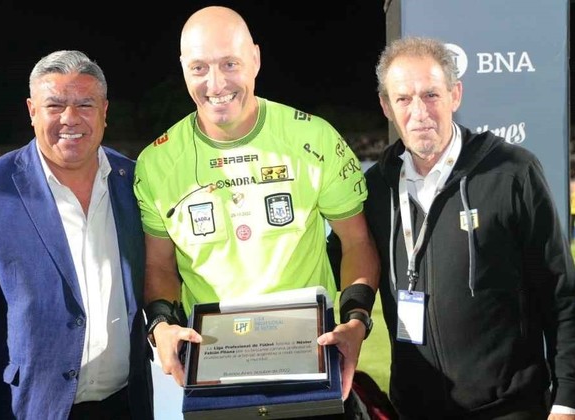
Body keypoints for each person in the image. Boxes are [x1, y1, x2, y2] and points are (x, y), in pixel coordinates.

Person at [133, 5, 380, 415]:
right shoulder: (157, 162)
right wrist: (161, 325)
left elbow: (356, 241)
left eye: (229, 63)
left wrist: (356, 321)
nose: (215, 83)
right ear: (183, 69)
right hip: (214, 370)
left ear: (255, 59)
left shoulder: (314, 138)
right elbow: (158, 265)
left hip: (309, 361)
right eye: (199, 68)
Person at [328, 36, 575, 419]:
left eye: (431, 95)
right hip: (414, 410)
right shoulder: (375, 189)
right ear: (386, 106)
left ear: (455, 95)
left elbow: (561, 295)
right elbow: (334, 259)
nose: (419, 112)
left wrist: (566, 401)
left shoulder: (512, 172)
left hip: (509, 408)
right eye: (403, 99)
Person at [0, 50, 153, 419]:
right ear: (32, 110)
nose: (70, 118)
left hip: (128, 405)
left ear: (104, 111)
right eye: (54, 105)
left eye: (85, 104)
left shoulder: (135, 182)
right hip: (27, 409)